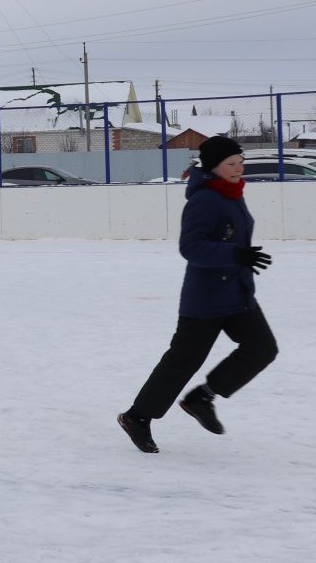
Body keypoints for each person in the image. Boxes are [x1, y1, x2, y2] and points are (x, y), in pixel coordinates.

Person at [117, 136, 279, 454]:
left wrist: (240, 258)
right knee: (182, 361)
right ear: (214, 167)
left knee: (262, 348)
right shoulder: (205, 199)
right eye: (231, 164)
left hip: (237, 293)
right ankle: (137, 417)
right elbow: (190, 247)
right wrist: (236, 254)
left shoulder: (232, 194)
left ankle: (202, 397)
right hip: (206, 298)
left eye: (240, 162)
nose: (238, 168)